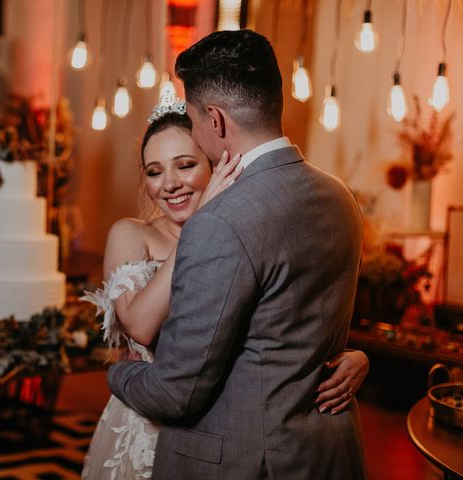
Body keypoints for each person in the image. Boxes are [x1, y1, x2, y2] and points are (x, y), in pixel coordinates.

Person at [106, 29, 368, 479]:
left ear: (216, 120)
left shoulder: (220, 221)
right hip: (328, 452)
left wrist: (116, 375)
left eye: (191, 120)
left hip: (247, 461)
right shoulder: (340, 198)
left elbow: (177, 391)